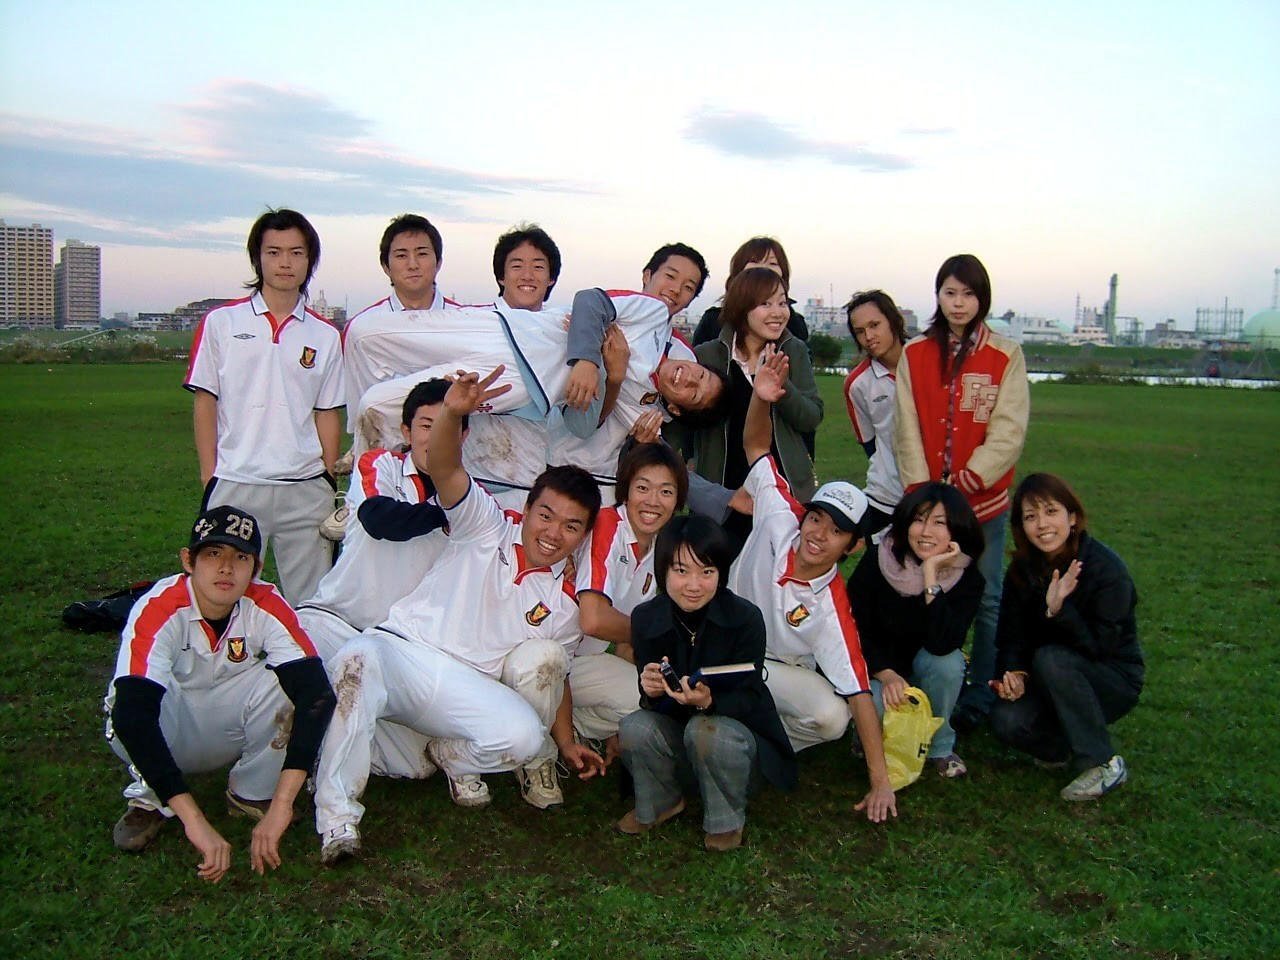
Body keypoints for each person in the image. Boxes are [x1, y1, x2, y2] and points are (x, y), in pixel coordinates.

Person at [313, 369, 605, 865]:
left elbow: (561, 678)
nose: (554, 533)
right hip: (405, 652)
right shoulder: (485, 522)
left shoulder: (567, 600)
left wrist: (565, 740)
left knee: (521, 737)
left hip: (468, 687)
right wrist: (451, 412)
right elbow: (445, 467)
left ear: (584, 535)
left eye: (572, 526)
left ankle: (451, 756)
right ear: (527, 508)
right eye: (546, 516)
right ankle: (337, 817)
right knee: (358, 661)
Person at [104, 506, 335, 881]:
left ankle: (253, 791)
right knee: (129, 699)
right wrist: (194, 821)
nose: (226, 568)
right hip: (170, 723)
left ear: (256, 568)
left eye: (240, 557)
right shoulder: (159, 606)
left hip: (223, 722)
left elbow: (317, 696)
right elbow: (133, 716)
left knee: (288, 682)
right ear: (188, 561)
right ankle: (151, 796)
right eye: (213, 554)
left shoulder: (265, 602)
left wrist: (283, 803)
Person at [729, 348, 895, 822]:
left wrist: (881, 782)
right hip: (723, 645)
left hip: (773, 669)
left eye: (836, 530)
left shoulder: (832, 607)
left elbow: (858, 692)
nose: (819, 534)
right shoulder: (781, 515)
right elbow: (756, 448)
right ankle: (735, 725)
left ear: (852, 547)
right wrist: (761, 397)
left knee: (831, 718)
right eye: (817, 518)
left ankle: (758, 741)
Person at [894, 253, 1029, 730]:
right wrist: (924, 493)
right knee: (917, 588)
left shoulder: (1005, 355)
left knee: (988, 598)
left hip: (984, 504)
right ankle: (914, 680)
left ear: (982, 299)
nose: (958, 303)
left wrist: (970, 478)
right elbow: (906, 425)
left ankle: (981, 691)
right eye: (950, 292)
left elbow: (1009, 430)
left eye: (968, 294)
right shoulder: (915, 353)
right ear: (938, 296)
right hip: (929, 505)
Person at [185, 208, 344, 604]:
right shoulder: (222, 322)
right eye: (274, 252)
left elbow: (327, 411)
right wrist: (210, 474)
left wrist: (326, 477)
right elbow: (206, 400)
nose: (285, 262)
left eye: (296, 252)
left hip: (304, 487)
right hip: (237, 482)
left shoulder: (325, 334)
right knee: (221, 596)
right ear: (257, 257)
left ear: (310, 260)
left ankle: (303, 649)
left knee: (311, 602)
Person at [617, 514, 797, 851]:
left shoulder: (745, 618)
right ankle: (662, 802)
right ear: (663, 570)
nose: (694, 585)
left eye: (707, 572)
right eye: (681, 570)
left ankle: (725, 819)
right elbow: (652, 701)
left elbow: (751, 696)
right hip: (679, 735)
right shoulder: (646, 617)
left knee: (707, 730)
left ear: (721, 574)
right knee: (634, 726)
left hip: (735, 742)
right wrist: (651, 690)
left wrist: (709, 703)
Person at [989, 473, 1143, 801]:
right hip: (1048, 675)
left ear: (1072, 517)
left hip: (1111, 678)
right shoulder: (1022, 571)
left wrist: (1059, 610)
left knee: (1052, 658)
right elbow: (1010, 636)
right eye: (1030, 516)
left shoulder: (1106, 570)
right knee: (1006, 720)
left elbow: (1102, 647)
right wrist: (1013, 673)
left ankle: (1102, 763)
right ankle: (1061, 749)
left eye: (1051, 512)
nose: (1042, 524)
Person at [847, 483, 985, 778]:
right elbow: (853, 628)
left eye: (939, 523)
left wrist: (930, 574)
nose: (925, 532)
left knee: (948, 664)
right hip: (878, 671)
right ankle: (867, 737)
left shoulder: (967, 577)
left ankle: (940, 747)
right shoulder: (879, 559)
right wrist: (886, 673)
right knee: (875, 705)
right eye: (919, 520)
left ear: (956, 529)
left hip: (927, 671)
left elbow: (944, 642)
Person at [683, 266, 822, 556]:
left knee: (779, 573)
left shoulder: (793, 351)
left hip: (781, 491)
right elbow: (685, 419)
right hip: (724, 491)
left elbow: (811, 417)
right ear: (742, 307)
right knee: (720, 572)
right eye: (765, 304)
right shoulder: (708, 355)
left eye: (782, 303)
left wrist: (781, 386)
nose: (778, 313)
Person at [573, 442, 689, 756]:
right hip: (557, 654)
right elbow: (593, 620)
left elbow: (627, 644)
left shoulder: (658, 546)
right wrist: (658, 635)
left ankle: (577, 725)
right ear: (625, 490)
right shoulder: (609, 524)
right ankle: (555, 725)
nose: (653, 501)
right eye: (642, 488)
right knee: (650, 701)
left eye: (666, 491)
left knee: (663, 695)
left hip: (587, 660)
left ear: (678, 500)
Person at [342, 214, 461, 421]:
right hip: (383, 437)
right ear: (385, 266)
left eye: (422, 254)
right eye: (401, 256)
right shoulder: (364, 329)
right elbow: (359, 403)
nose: (412, 264)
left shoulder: (465, 322)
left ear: (438, 262)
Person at [842, 289, 909, 541]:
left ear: (894, 320)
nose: (868, 337)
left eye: (874, 325)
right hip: (886, 496)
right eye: (860, 331)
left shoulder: (927, 361)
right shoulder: (857, 384)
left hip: (936, 492)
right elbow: (869, 444)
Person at [690, 236, 809, 347]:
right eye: (754, 262)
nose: (763, 268)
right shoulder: (714, 321)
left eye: (772, 263)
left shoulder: (794, 324)